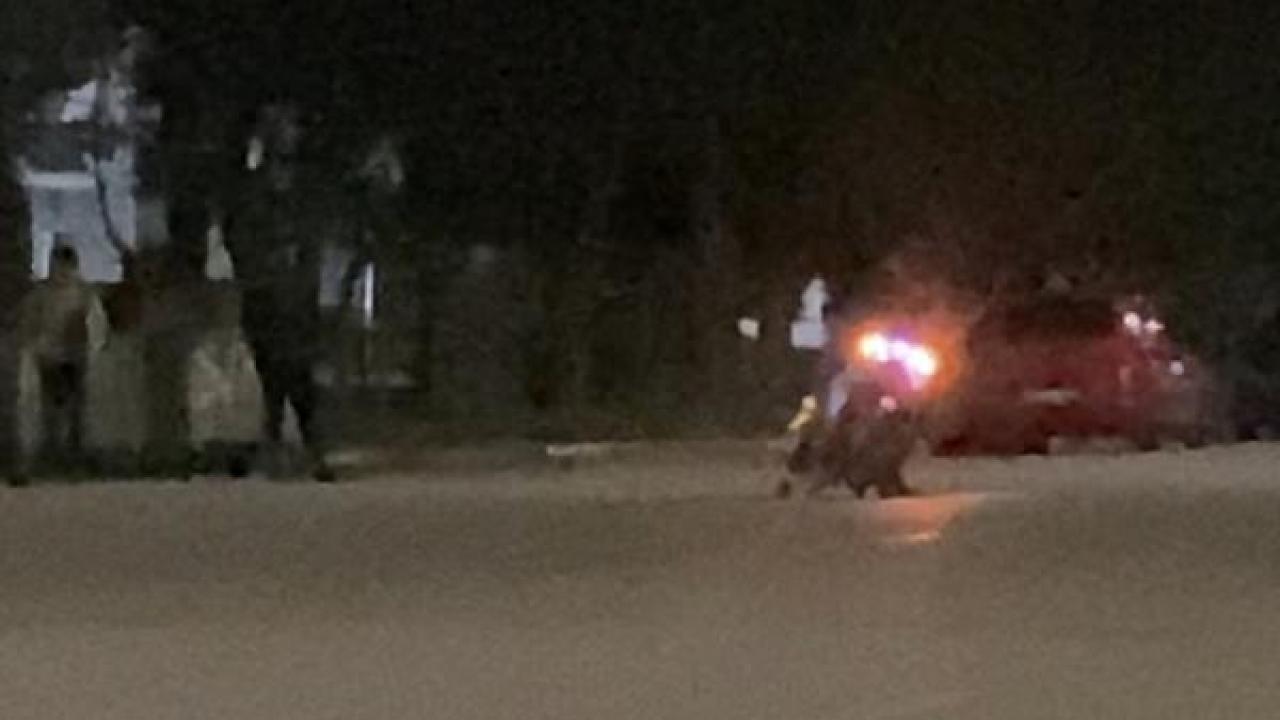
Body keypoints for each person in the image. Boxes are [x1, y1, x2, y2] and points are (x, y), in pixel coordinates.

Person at [226, 103, 334, 482]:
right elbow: (241, 237)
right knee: (271, 371)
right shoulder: (252, 189)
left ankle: (308, 447)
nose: (292, 136)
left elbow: (311, 238)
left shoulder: (303, 188)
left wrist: (302, 273)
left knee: (298, 372)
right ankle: (278, 445)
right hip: (266, 292)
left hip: (293, 295)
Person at [14, 243, 105, 482]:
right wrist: (38, 349)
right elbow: (29, 324)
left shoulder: (84, 294)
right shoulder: (41, 294)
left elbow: (96, 326)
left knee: (76, 413)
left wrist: (90, 351)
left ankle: (74, 459)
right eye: (58, 266)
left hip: (75, 360)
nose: (62, 272)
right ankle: (52, 457)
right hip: (51, 360)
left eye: (66, 267)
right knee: (51, 412)